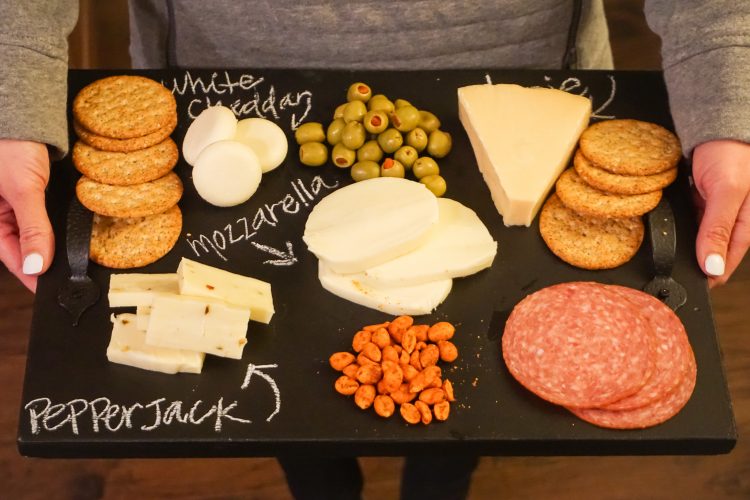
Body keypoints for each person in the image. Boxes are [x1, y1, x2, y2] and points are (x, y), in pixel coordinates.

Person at [0, 1, 748, 498]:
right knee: (298, 400)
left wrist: (729, 97)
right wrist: (12, 100)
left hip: (531, 75)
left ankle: (439, 479)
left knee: (463, 415)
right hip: (220, 79)